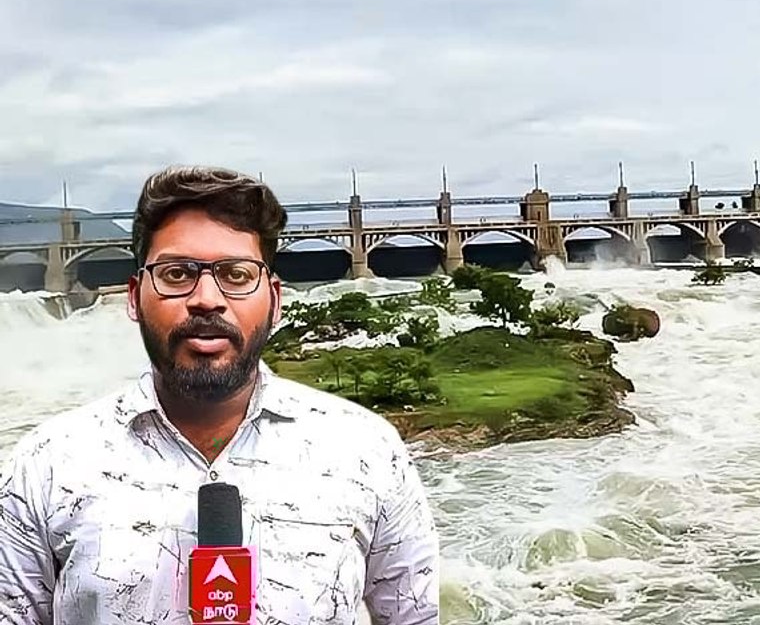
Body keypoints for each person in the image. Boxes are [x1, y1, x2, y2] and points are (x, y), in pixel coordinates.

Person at [0, 165, 439, 624]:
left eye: (235, 273)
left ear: (275, 299)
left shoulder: (365, 451)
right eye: (175, 274)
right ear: (133, 297)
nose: (206, 298)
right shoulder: (47, 466)